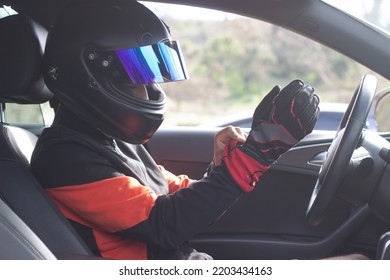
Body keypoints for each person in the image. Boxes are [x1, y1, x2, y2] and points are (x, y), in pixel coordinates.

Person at [31, 0, 320, 260]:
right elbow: (163, 223)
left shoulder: (109, 139)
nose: (148, 91)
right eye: (134, 77)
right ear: (89, 76)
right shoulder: (64, 158)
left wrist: (224, 165)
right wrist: (255, 155)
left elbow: (173, 196)